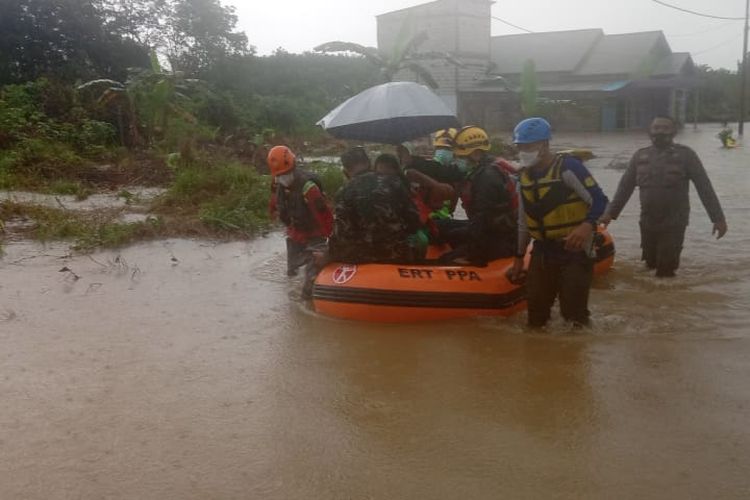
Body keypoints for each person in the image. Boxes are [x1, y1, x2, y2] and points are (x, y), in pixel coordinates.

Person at [508, 117, 609, 328]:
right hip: (542, 251)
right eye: (520, 147)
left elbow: (600, 201)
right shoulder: (523, 177)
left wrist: (587, 225)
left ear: (544, 145)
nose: (523, 151)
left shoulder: (568, 168)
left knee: (573, 317)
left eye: (528, 146)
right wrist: (518, 257)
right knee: (535, 317)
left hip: (575, 251)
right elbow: (523, 223)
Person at [600, 115, 727, 277]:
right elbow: (624, 189)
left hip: (674, 221)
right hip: (647, 220)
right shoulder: (640, 156)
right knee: (650, 264)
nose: (660, 132)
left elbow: (705, 188)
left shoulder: (686, 156)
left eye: (665, 128)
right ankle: (650, 301)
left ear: (674, 132)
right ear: (650, 131)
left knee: (665, 270)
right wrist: (609, 214)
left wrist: (718, 219)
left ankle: (667, 301)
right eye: (656, 128)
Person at [438, 125, 518, 266]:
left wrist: (473, 256)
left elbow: (482, 220)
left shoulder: (486, 178)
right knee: (445, 227)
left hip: (499, 240)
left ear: (475, 154)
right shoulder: (486, 170)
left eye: (461, 156)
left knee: (444, 260)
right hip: (497, 232)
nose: (458, 160)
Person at [328, 147, 423, 264]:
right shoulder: (393, 182)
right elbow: (414, 221)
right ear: (369, 163)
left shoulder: (343, 192)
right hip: (398, 253)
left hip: (362, 258)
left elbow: (341, 235)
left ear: (345, 171)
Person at [269, 145, 333, 278]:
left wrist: (331, 239)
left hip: (315, 233)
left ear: (293, 167)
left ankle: (308, 294)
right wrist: (273, 211)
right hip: (296, 232)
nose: (282, 178)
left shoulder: (308, 187)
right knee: (291, 273)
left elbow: (324, 215)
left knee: (312, 277)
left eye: (285, 174)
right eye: (279, 175)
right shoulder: (278, 183)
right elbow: (275, 201)